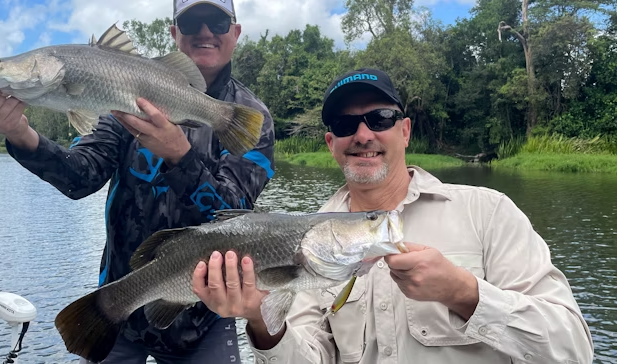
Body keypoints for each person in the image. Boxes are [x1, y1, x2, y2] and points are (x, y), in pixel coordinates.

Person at [191, 68, 595, 364]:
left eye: (380, 119)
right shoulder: (306, 240)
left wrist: (466, 293)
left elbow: (574, 349)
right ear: (331, 143)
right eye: (347, 124)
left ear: (405, 131)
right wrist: (263, 325)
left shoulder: (488, 211)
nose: (363, 135)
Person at [0, 0, 275, 363]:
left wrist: (181, 155)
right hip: (117, 305)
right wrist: (20, 134)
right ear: (174, 33)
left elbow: (235, 219)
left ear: (235, 33)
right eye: (192, 22)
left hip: (203, 316)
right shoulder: (124, 91)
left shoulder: (248, 118)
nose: (205, 32)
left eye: (218, 22)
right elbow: (79, 177)